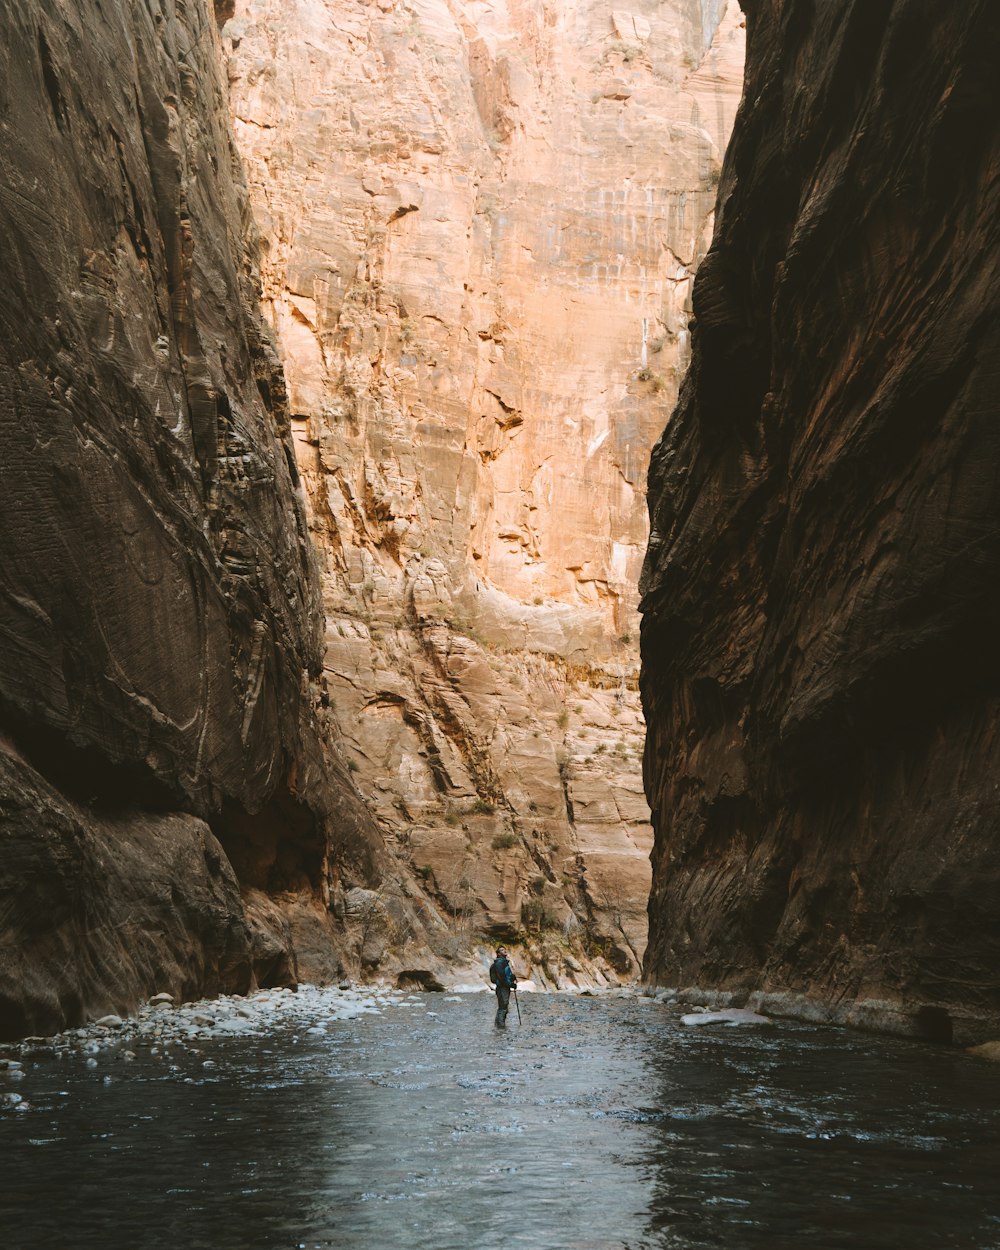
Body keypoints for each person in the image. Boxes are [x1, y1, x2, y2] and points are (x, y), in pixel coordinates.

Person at [489, 945, 517, 1027]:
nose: (504, 951)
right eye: (501, 950)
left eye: (504, 949)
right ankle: (500, 1027)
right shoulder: (499, 963)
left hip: (504, 987)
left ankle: (498, 1026)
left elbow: (506, 976)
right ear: (498, 954)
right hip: (502, 988)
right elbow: (502, 977)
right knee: (503, 1007)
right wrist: (511, 984)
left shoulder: (504, 962)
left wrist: (512, 978)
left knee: (503, 1007)